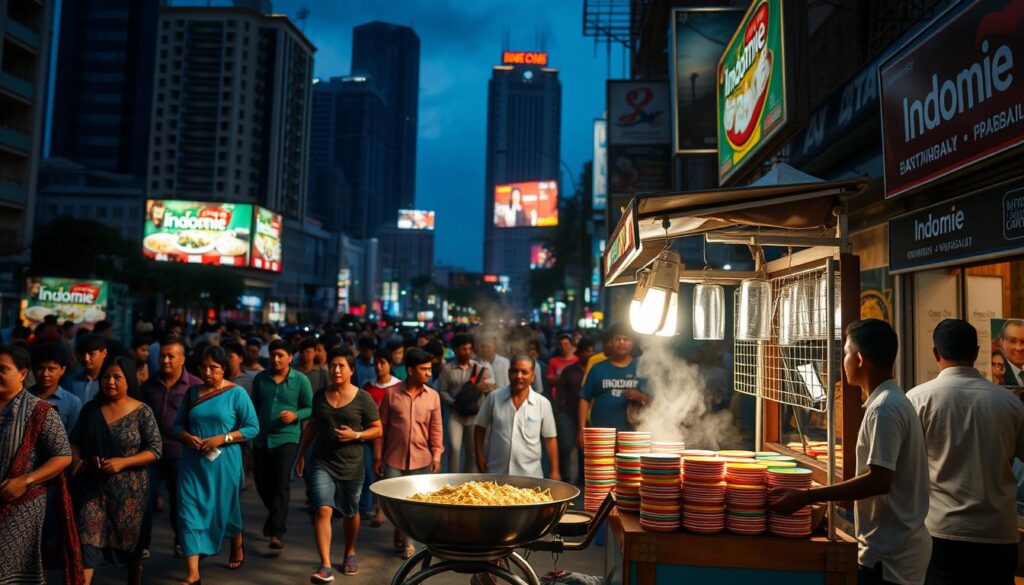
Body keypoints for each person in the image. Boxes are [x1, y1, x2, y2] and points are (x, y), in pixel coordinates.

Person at [770, 319, 930, 585]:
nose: (842, 359)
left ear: (859, 359)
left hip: (891, 557)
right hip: (894, 547)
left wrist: (807, 496)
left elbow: (879, 480)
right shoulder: (888, 401)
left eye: (845, 352)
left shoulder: (885, 409)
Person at [906, 320, 1024, 585]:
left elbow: (905, 468)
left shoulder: (918, 399)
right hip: (999, 534)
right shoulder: (1010, 403)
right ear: (977, 352)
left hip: (942, 532)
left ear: (936, 353)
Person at [172, 346, 259, 585]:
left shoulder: (236, 393)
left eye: (214, 368)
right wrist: (186, 437)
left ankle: (236, 541)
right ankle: (193, 573)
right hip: (192, 462)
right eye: (204, 367)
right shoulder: (192, 393)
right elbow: (177, 426)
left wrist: (224, 437)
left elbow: (253, 427)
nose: (208, 372)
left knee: (225, 507)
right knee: (188, 511)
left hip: (224, 462)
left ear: (224, 369)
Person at [70, 356, 161, 585]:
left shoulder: (142, 411)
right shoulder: (91, 410)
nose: (110, 382)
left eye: (117, 377)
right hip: (93, 488)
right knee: (87, 543)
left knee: (131, 548)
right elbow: (75, 440)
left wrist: (123, 462)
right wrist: (77, 458)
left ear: (128, 379)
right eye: (106, 377)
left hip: (130, 494)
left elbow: (155, 450)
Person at [296, 348, 382, 583]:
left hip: (352, 465)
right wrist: (301, 454)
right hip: (321, 462)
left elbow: (378, 428)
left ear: (351, 370)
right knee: (323, 509)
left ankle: (350, 550)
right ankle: (324, 564)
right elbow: (312, 426)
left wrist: (356, 435)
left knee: (350, 512)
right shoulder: (320, 395)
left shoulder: (363, 397)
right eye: (333, 365)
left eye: (342, 366)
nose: (336, 370)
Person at [0, 345, 83, 585]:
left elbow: (63, 455)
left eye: (3, 369)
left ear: (23, 374)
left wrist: (25, 480)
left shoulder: (41, 411)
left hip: (21, 505)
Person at [374, 348, 443, 560]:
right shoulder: (392, 394)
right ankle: (400, 528)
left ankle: (408, 543)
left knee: (413, 504)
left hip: (422, 458)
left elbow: (436, 428)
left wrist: (437, 455)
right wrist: (377, 456)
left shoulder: (433, 396)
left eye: (430, 369)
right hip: (393, 457)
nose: (428, 374)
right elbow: (381, 426)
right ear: (410, 370)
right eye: (424, 369)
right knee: (395, 503)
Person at [139, 336, 200, 558]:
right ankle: (141, 545)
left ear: (182, 359)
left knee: (180, 501)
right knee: (144, 499)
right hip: (150, 453)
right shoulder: (149, 386)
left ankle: (181, 542)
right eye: (162, 356)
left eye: (171, 356)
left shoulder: (195, 386)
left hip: (180, 453)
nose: (165, 360)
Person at [251, 339, 313, 549]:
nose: (276, 359)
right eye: (273, 355)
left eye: (280, 355)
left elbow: (310, 407)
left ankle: (277, 532)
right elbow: (254, 407)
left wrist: (296, 415)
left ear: (289, 357)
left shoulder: (300, 380)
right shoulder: (261, 379)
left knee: (280, 482)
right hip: (261, 438)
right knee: (261, 482)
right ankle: (274, 515)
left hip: (287, 438)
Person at [474, 353, 559, 479]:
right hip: (497, 474)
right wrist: (479, 455)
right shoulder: (494, 398)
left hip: (531, 476)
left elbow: (550, 439)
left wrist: (555, 471)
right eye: (515, 371)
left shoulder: (542, 403)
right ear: (509, 373)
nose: (519, 376)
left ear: (532, 376)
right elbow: (480, 427)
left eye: (524, 372)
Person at [578, 324, 650, 441]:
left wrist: (640, 396)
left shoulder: (642, 369)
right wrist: (582, 429)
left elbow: (655, 402)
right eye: (617, 339)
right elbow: (584, 399)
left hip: (633, 435)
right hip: (600, 433)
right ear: (610, 343)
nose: (621, 342)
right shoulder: (597, 369)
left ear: (632, 343)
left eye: (625, 339)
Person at [437, 334, 494, 473]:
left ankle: (469, 480)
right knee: (454, 447)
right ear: (455, 350)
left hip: (474, 415)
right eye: (464, 349)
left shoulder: (479, 369)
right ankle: (453, 480)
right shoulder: (447, 369)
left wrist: (485, 386)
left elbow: (491, 387)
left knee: (472, 451)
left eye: (469, 348)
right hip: (455, 415)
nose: (467, 352)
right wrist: (453, 403)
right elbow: (442, 391)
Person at [360, 349, 402, 526]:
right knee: (370, 473)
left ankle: (383, 510)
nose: (378, 366)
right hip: (370, 437)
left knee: (387, 476)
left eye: (382, 363)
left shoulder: (398, 386)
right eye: (376, 363)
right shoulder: (367, 386)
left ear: (390, 365)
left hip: (392, 440)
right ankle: (370, 509)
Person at [554, 337, 595, 486]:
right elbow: (560, 391)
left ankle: (582, 480)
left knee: (585, 448)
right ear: (579, 352)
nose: (589, 354)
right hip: (569, 412)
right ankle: (567, 480)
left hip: (588, 414)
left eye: (592, 351)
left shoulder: (594, 370)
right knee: (566, 446)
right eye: (586, 351)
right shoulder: (569, 370)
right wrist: (558, 409)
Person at [30, 342, 82, 432]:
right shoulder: (23, 397)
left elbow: (74, 439)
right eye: (40, 368)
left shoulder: (72, 402)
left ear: (62, 370)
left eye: (51, 369)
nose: (45, 374)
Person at [67, 334, 108, 404]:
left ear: (104, 353)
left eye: (92, 354)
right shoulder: (70, 381)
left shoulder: (110, 382)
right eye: (83, 354)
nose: (86, 358)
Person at [997, 318, 1024, 385]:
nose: (1019, 348)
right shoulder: (998, 374)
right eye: (1012, 341)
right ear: (1002, 343)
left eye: (1023, 342)